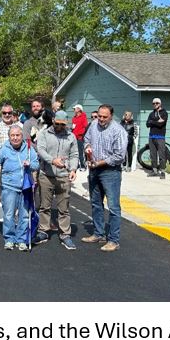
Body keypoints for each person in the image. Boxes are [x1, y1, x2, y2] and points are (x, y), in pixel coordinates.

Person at [82, 104, 128, 252]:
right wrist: (87, 148)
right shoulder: (94, 125)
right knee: (96, 203)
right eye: (99, 116)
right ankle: (98, 233)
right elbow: (87, 138)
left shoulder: (118, 131)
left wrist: (99, 163)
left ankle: (113, 240)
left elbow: (119, 156)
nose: (101, 119)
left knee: (113, 207)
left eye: (104, 117)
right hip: (94, 170)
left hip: (110, 171)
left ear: (111, 116)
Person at [35, 110, 78, 249]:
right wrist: (53, 160)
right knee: (44, 206)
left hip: (63, 176)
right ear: (53, 120)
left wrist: (73, 169)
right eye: (57, 123)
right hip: (46, 175)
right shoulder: (44, 134)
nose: (60, 126)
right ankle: (43, 231)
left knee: (64, 208)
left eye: (63, 124)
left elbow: (74, 154)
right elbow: (41, 151)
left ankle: (65, 234)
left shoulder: (71, 136)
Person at [0, 124, 39, 252]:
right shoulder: (4, 149)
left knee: (25, 214)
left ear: (22, 136)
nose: (15, 138)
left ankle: (21, 239)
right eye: (12, 135)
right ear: (9, 137)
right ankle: (9, 239)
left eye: (18, 135)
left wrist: (30, 164)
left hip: (25, 187)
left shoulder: (29, 148)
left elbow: (36, 165)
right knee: (9, 214)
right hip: (9, 186)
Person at [145, 97, 169, 178]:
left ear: (160, 104)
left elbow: (161, 124)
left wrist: (152, 121)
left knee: (162, 155)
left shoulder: (164, 113)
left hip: (160, 136)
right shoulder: (151, 114)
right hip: (151, 136)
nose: (155, 104)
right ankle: (154, 171)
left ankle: (162, 172)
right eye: (153, 103)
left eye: (157, 103)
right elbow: (147, 124)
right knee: (153, 155)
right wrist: (155, 121)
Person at [71, 104, 89, 171]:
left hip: (80, 138)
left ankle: (83, 166)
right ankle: (77, 165)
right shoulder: (74, 118)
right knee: (74, 152)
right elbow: (73, 127)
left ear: (79, 109)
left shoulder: (83, 117)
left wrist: (80, 134)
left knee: (81, 153)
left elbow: (85, 127)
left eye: (74, 109)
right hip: (74, 138)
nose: (74, 110)